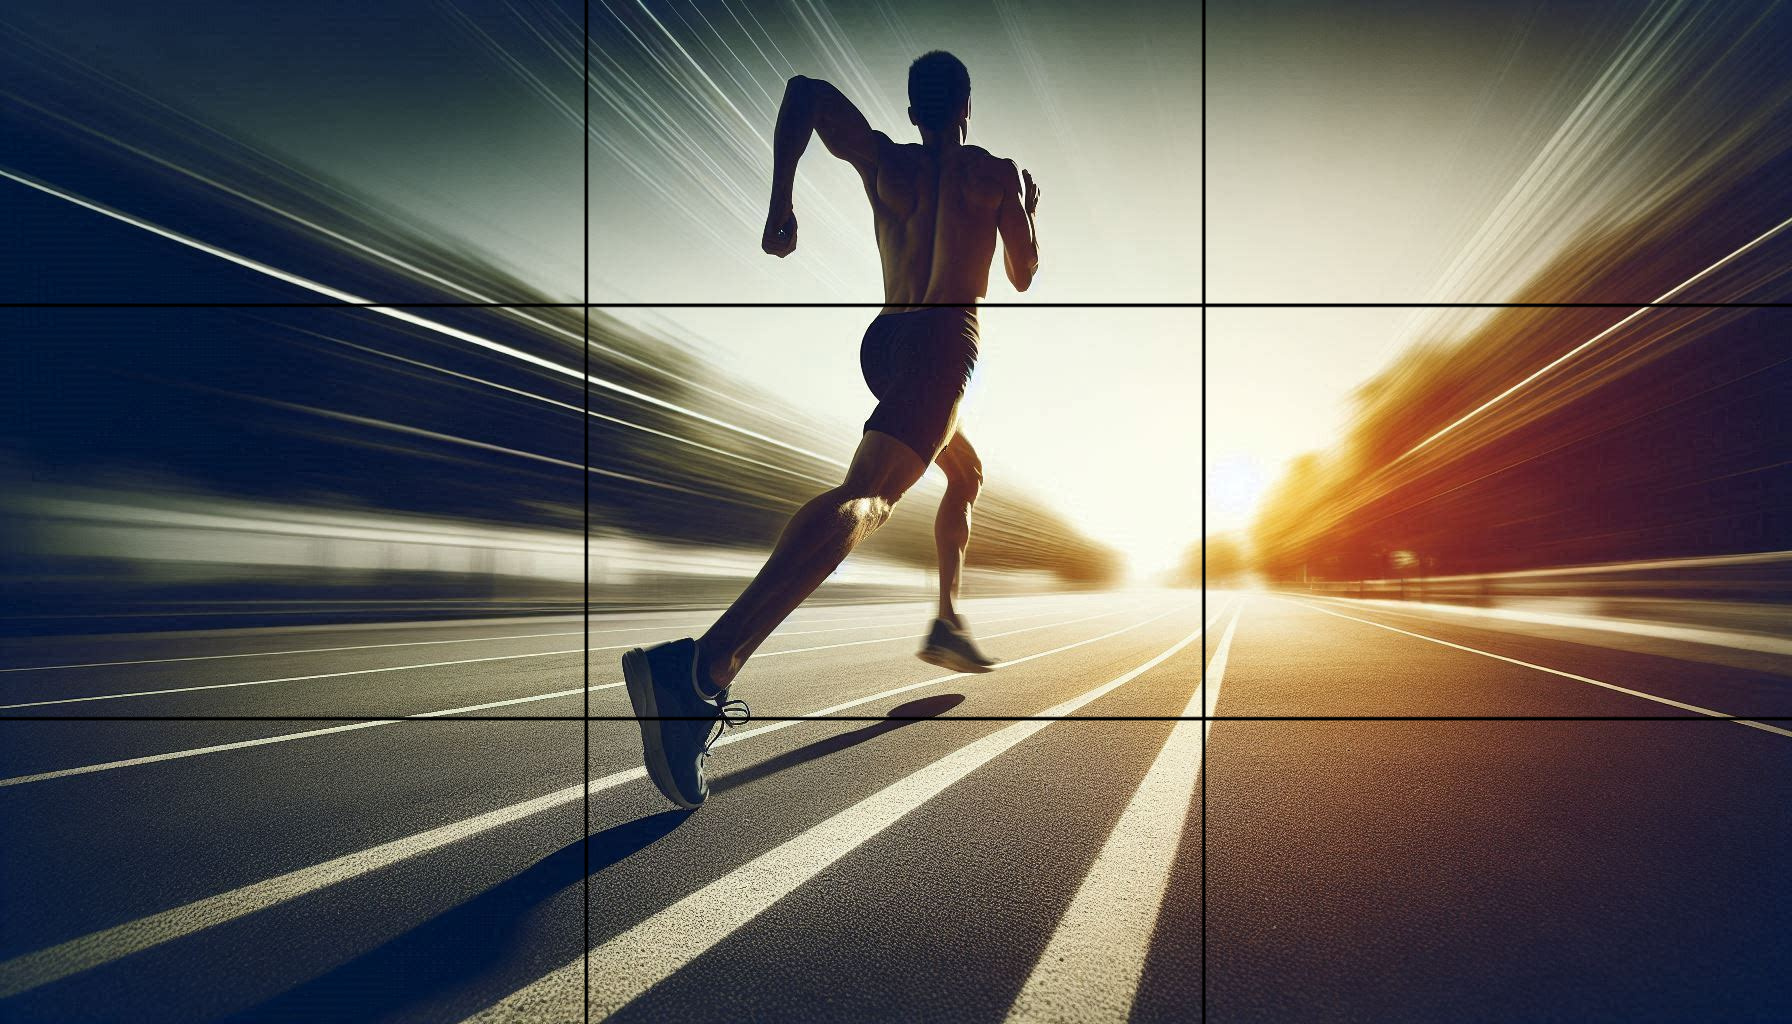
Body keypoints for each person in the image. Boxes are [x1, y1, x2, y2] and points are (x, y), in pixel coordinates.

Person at [622, 51, 1042, 809]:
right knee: (870, 494)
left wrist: (781, 203)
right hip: (946, 344)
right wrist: (1028, 218)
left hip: (885, 345)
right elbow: (1022, 272)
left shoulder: (886, 160)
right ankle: (701, 669)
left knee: (964, 472)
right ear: (968, 108)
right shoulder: (995, 173)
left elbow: (805, 93)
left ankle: (947, 618)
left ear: (914, 110)